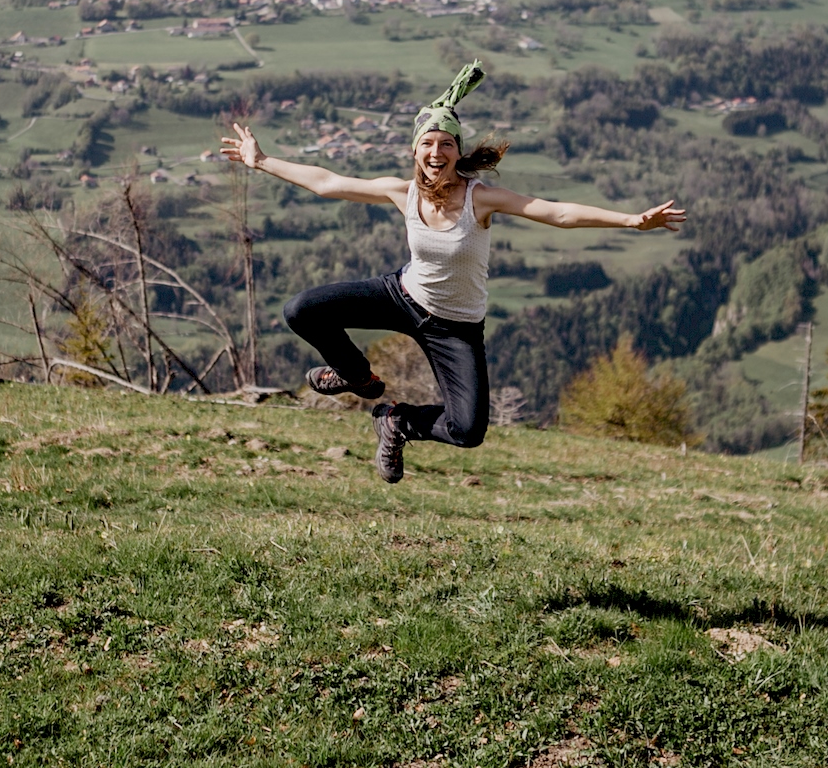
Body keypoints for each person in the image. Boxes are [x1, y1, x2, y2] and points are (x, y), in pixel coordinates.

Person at [220, 60, 685, 483]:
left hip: (455, 327)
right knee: (302, 310)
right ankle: (357, 376)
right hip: (403, 295)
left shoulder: (479, 198)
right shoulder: (402, 192)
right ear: (415, 151)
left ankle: (396, 421)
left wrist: (630, 220)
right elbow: (328, 183)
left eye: (446, 143)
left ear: (457, 151)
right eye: (428, 143)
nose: (437, 151)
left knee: (467, 430)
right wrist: (261, 161)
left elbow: (556, 212)